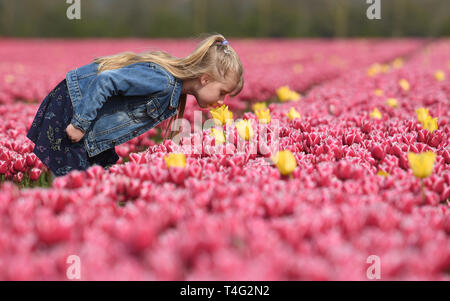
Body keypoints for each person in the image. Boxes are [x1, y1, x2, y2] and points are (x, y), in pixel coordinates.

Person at [26, 33, 244, 178]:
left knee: (89, 184)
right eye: (222, 92)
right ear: (205, 79)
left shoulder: (173, 90)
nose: (222, 101)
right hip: (76, 107)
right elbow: (106, 80)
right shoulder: (163, 81)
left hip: (93, 124)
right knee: (72, 185)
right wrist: (80, 124)